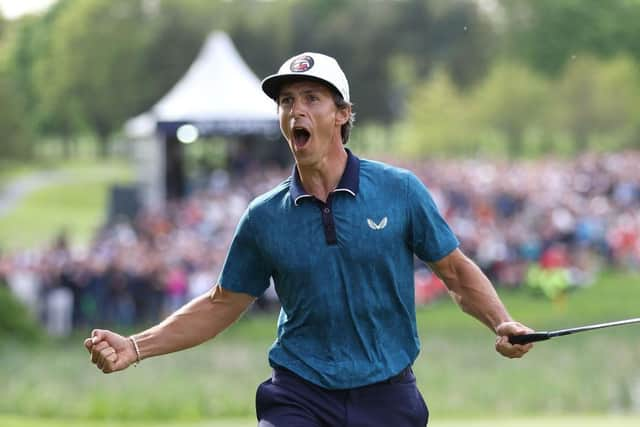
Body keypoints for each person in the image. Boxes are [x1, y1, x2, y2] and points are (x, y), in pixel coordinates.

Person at [85, 52, 535, 426]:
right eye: (286, 101)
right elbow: (221, 303)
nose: (295, 109)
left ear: (343, 114)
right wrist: (137, 346)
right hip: (299, 394)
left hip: (387, 396)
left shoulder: (399, 190)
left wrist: (501, 321)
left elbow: (455, 271)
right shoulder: (264, 217)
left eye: (311, 98)